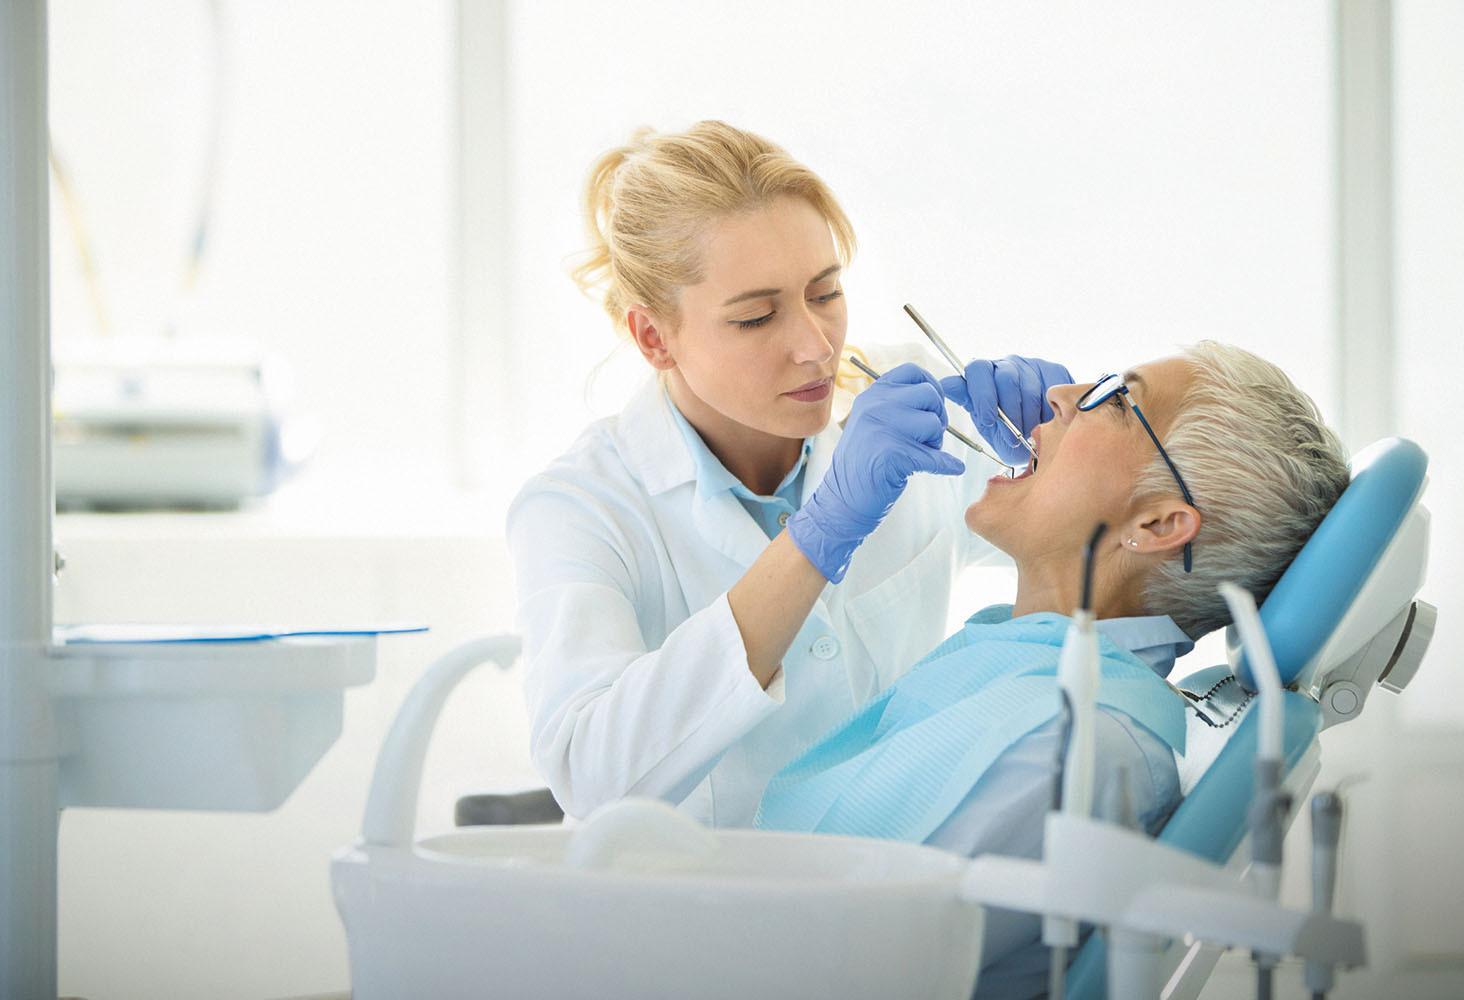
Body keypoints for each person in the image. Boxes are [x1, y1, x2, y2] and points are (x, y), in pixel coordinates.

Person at [507, 120, 1073, 826]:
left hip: (895, 877)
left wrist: (1059, 448)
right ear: (654, 337)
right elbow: (590, 774)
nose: (815, 347)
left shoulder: (905, 405)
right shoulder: (582, 506)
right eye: (755, 318)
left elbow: (1111, 545)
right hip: (701, 910)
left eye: (825, 293)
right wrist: (819, 536)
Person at [754, 341, 1350, 998]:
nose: (1061, 395)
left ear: (1156, 524)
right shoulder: (1032, 675)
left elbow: (832, 965)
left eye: (1116, 402)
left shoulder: (1070, 744)